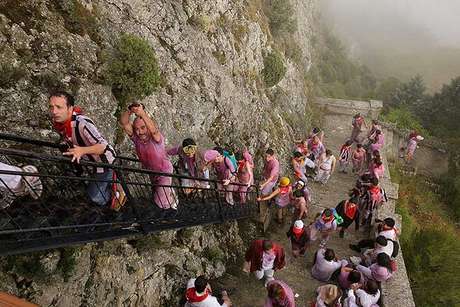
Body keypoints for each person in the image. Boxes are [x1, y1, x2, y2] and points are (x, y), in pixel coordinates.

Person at [50, 91, 116, 207]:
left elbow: (103, 146)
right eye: (52, 107)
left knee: (95, 197)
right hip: (90, 164)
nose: (54, 111)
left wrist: (81, 150)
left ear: (70, 108)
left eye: (59, 107)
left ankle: (114, 198)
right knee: (90, 192)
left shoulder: (83, 123)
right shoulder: (59, 124)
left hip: (104, 163)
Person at [120, 102, 178, 210]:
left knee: (160, 202)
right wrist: (130, 110)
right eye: (137, 129)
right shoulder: (136, 138)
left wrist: (142, 113)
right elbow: (124, 123)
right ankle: (169, 195)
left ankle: (172, 206)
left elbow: (154, 130)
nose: (140, 132)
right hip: (151, 172)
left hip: (164, 171)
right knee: (156, 193)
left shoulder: (156, 138)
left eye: (143, 128)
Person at [259, 148, 280, 223]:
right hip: (266, 177)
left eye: (269, 157)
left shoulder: (275, 164)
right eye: (266, 156)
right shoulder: (268, 160)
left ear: (272, 156)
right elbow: (265, 166)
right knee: (268, 190)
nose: (267, 159)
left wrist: (263, 184)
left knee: (264, 192)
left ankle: (265, 203)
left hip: (271, 180)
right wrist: (263, 173)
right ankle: (269, 198)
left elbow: (271, 178)